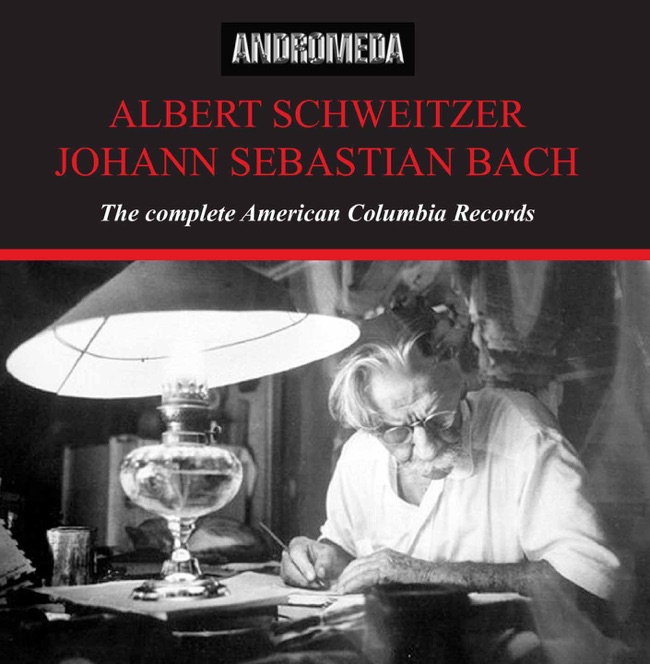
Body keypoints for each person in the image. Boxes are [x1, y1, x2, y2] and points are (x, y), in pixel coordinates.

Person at [280, 333, 629, 661]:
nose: (427, 447)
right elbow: (347, 555)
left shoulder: (525, 433)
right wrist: (321, 558)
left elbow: (587, 584)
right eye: (399, 432)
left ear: (459, 383)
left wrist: (424, 574)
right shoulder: (359, 455)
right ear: (370, 425)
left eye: (440, 420)